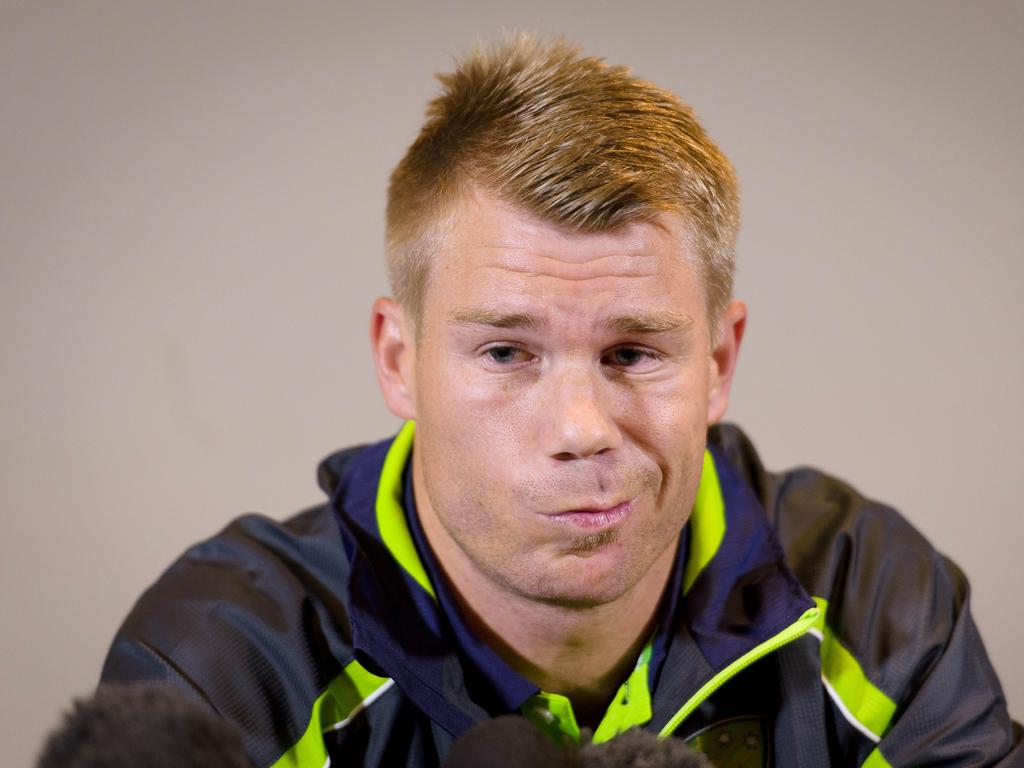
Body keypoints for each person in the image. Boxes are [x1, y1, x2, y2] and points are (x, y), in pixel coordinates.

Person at [100, 35, 1022, 767]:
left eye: (633, 352)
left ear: (720, 360)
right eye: (506, 351)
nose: (582, 430)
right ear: (397, 359)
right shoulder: (221, 666)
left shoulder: (876, 602)